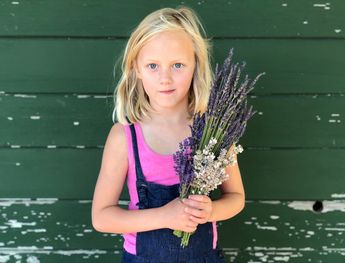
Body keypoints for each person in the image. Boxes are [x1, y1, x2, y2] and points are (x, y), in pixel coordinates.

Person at [91, 5, 245, 263]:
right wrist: (165, 216)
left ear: (195, 65)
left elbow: (236, 198)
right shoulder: (125, 137)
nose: (165, 78)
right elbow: (102, 218)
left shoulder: (213, 131)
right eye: (152, 65)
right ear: (136, 69)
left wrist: (210, 211)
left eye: (177, 65)